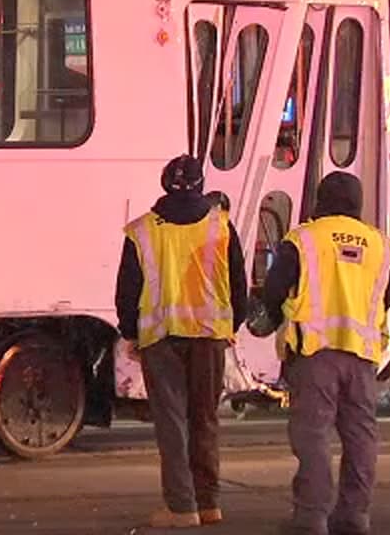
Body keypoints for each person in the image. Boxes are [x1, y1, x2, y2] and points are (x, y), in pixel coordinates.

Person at [251, 172, 390, 535]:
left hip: (315, 354)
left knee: (313, 435)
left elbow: (274, 291)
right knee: (361, 436)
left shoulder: (303, 239)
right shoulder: (381, 245)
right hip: (362, 357)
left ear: (321, 200)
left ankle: (311, 517)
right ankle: (354, 516)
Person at [115, 154, 249, 528]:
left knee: (173, 424)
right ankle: (209, 504)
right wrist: (231, 325)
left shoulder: (142, 230)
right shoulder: (221, 226)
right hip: (210, 338)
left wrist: (130, 334)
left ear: (164, 184)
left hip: (161, 339)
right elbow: (238, 284)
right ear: (201, 184)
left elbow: (128, 290)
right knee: (205, 419)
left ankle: (181, 507)